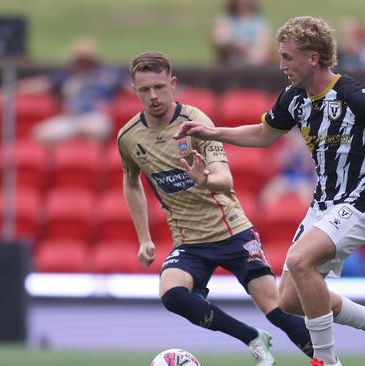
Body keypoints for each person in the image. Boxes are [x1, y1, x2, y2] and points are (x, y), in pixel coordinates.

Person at [174, 16, 365, 366]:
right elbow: (264, 134)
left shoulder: (351, 94)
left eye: (288, 57)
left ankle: (325, 360)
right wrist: (213, 133)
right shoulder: (293, 98)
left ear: (314, 58)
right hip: (324, 205)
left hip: (363, 201)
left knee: (299, 260)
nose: (281, 65)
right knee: (290, 299)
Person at [118, 51, 314, 366]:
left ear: (172, 83)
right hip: (190, 241)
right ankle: (252, 337)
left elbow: (225, 179)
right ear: (135, 91)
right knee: (172, 295)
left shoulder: (195, 123)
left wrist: (204, 178)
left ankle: (328, 360)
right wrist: (144, 238)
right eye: (144, 90)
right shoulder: (129, 137)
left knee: (276, 310)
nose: (153, 96)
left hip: (232, 230)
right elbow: (131, 182)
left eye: (159, 87)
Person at [18, 37, 127, 145]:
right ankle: (57, 161)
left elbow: (129, 85)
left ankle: (90, 161)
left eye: (86, 59)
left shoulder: (108, 75)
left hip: (96, 116)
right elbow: (44, 84)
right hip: (71, 118)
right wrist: (18, 87)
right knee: (41, 133)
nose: (82, 62)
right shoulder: (66, 75)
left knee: (95, 130)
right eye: (80, 59)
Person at [211, 0, 271, 67]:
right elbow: (219, 40)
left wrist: (249, 53)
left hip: (254, 64)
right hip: (229, 62)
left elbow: (263, 46)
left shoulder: (260, 22)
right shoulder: (225, 19)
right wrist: (234, 45)